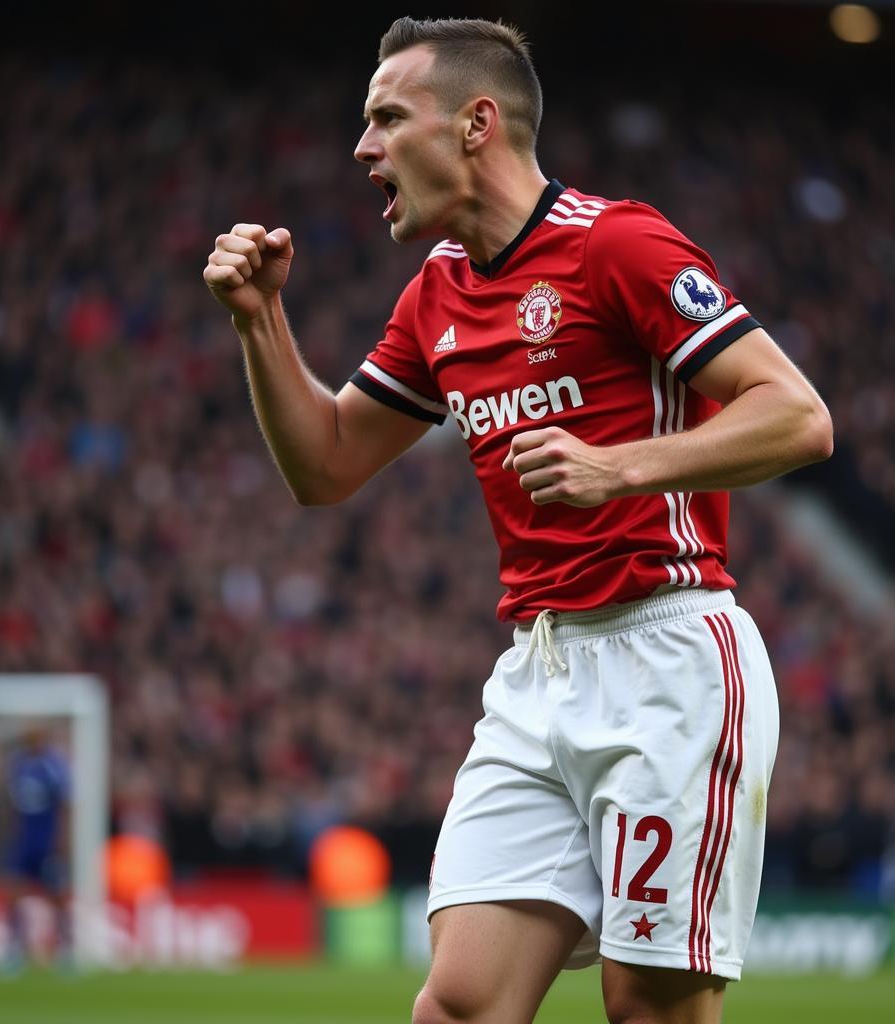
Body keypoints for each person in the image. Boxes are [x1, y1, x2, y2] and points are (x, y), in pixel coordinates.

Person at [203, 16, 833, 1024]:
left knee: (650, 1007)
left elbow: (798, 416)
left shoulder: (615, 244)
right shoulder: (437, 294)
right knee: (455, 1005)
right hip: (537, 673)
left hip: (667, 663)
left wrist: (615, 466)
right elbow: (323, 466)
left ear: (474, 125)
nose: (362, 147)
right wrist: (260, 322)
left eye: (385, 117)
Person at [3, 725, 70, 968]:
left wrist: (61, 841)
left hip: (46, 841)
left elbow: (64, 807)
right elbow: (12, 807)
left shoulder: (53, 767)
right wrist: (13, 835)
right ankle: (14, 949)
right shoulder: (18, 766)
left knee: (57, 897)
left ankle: (65, 950)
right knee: (13, 894)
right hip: (24, 843)